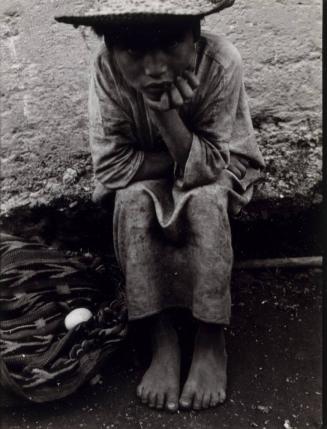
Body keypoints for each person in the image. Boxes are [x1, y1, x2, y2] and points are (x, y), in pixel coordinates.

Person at [55, 0, 265, 413]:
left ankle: (209, 337)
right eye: (133, 51)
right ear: (112, 50)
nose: (155, 68)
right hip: (150, 168)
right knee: (132, 201)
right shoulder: (105, 69)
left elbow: (212, 168)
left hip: (218, 168)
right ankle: (160, 336)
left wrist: (167, 116)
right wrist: (182, 150)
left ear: (195, 36)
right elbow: (113, 170)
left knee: (204, 199)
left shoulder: (221, 61)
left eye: (171, 45)